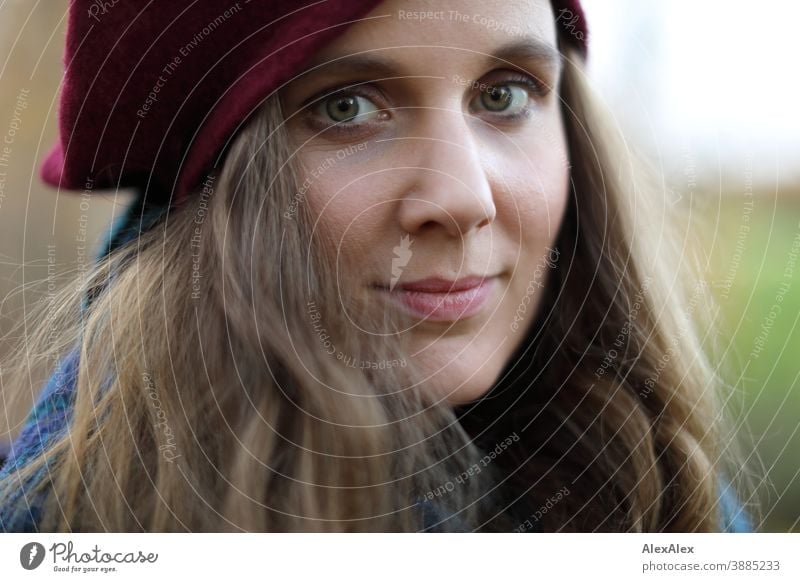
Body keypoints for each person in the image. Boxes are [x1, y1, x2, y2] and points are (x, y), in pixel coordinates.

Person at [0, 0, 754, 532]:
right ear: (218, 196)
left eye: (504, 94)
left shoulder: (662, 502)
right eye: (347, 108)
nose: (463, 198)